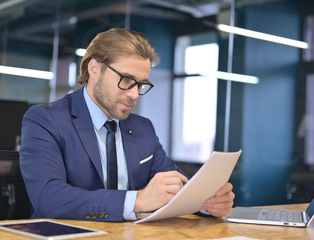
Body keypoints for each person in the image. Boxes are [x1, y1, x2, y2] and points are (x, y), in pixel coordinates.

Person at [20, 28, 235, 222]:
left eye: (141, 84)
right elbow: (49, 199)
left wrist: (207, 202)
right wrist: (137, 201)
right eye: (126, 79)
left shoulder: (143, 129)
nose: (134, 94)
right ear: (94, 69)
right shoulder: (45, 120)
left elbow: (177, 185)